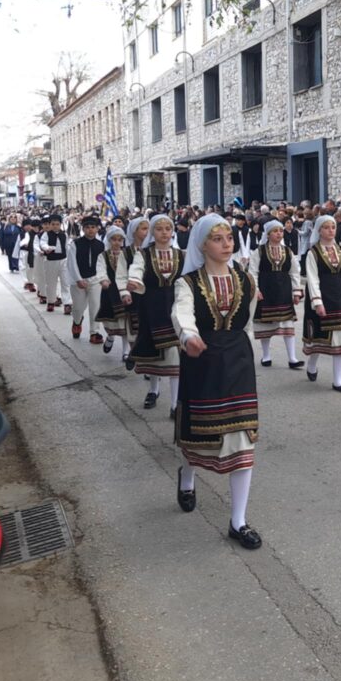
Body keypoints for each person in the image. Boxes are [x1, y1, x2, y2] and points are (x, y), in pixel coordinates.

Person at [172, 214, 263, 550]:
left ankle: (238, 521)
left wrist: (249, 352)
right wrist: (188, 336)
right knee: (198, 433)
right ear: (201, 245)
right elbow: (182, 313)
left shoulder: (246, 279)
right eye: (217, 239)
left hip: (238, 362)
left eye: (229, 238)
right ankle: (187, 476)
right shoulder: (187, 283)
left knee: (243, 437)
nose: (226, 244)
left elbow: (248, 321)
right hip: (203, 360)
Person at [128, 215, 185, 415]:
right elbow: (136, 269)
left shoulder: (180, 255)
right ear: (153, 232)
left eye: (168, 228)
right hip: (151, 306)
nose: (164, 233)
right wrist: (134, 280)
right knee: (154, 351)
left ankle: (175, 403)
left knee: (175, 352)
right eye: (159, 229)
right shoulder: (143, 254)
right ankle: (154, 389)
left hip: (175, 306)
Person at [302, 215, 341, 390]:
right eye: (326, 227)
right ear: (319, 230)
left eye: (333, 227)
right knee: (319, 338)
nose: (331, 230)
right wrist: (317, 302)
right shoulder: (313, 253)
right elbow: (312, 279)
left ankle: (338, 380)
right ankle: (312, 365)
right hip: (322, 296)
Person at [247, 220, 304, 369]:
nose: (279, 233)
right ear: (268, 234)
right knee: (265, 325)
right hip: (266, 290)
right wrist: (256, 290)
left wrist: (296, 291)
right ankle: (266, 356)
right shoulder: (259, 251)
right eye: (275, 231)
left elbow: (294, 272)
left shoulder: (287, 251)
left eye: (281, 230)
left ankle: (292, 358)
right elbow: (253, 272)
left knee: (287, 325)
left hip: (284, 290)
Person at [66, 215, 106, 344]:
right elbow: (72, 263)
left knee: (95, 306)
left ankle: (94, 332)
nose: (90, 230)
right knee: (78, 307)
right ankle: (77, 321)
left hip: (95, 279)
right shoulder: (75, 244)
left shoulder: (101, 245)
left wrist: (102, 278)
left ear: (97, 229)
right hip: (78, 280)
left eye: (93, 227)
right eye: (87, 227)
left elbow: (102, 264)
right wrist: (78, 279)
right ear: (83, 229)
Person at [93, 226, 129, 355]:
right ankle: (110, 336)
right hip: (110, 290)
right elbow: (100, 268)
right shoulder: (103, 255)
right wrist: (103, 280)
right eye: (114, 239)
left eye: (120, 239)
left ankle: (126, 352)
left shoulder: (127, 254)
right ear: (109, 240)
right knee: (111, 319)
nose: (117, 242)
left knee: (126, 322)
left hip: (125, 291)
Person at [119, 217, 149, 368]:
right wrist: (125, 292)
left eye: (148, 228)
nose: (147, 232)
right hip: (133, 293)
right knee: (133, 325)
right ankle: (132, 352)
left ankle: (144, 359)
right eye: (143, 229)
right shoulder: (126, 252)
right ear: (134, 231)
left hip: (150, 294)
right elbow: (121, 275)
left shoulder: (153, 250)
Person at [39, 214, 69, 313]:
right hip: (51, 261)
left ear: (60, 224)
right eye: (53, 224)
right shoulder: (46, 234)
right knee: (51, 283)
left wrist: (70, 260)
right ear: (50, 225)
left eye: (57, 224)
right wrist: (46, 248)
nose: (55, 226)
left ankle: (67, 303)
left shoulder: (64, 235)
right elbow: (43, 243)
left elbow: (67, 247)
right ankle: (51, 302)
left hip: (63, 260)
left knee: (65, 282)